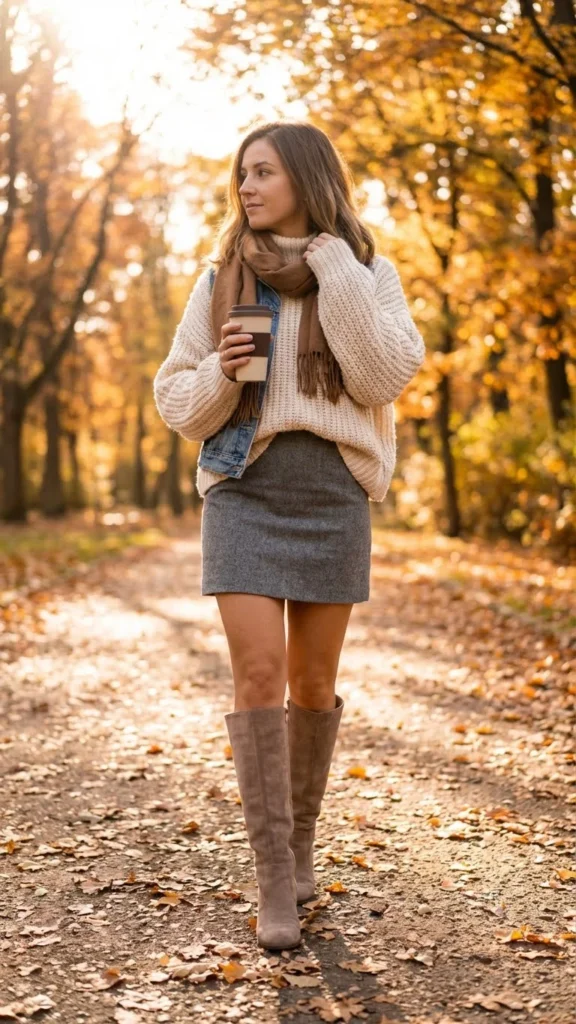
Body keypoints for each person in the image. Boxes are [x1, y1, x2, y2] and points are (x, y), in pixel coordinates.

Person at [153, 121, 425, 951]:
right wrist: (223, 372)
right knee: (259, 674)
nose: (246, 188)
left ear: (306, 176)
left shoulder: (370, 273)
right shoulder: (222, 279)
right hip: (246, 489)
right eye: (241, 175)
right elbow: (176, 400)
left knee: (312, 685)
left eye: (262, 173)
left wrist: (334, 263)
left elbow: (382, 374)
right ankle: (274, 880)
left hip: (331, 496)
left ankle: (302, 846)